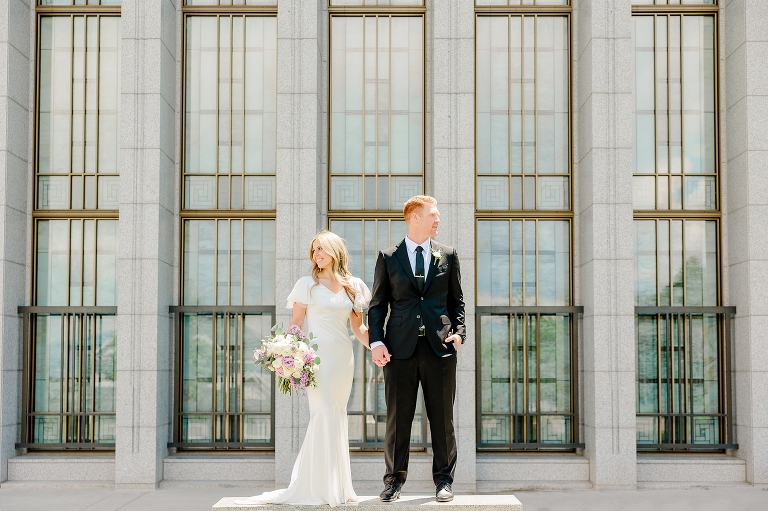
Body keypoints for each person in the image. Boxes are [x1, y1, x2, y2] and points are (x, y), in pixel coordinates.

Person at [235, 231, 371, 507]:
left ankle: (337, 488)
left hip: (343, 358)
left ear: (335, 251)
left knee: (337, 414)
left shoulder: (353, 286)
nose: (316, 254)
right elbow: (296, 324)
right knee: (322, 414)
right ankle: (317, 488)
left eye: (321, 248)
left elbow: (358, 328)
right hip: (317, 360)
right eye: (314, 250)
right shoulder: (306, 285)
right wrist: (288, 353)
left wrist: (380, 348)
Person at [368, 195, 466, 503]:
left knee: (443, 420)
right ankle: (393, 482)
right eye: (432, 215)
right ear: (414, 218)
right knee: (398, 420)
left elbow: (457, 301)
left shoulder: (448, 254)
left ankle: (444, 481)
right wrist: (376, 342)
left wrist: (459, 334)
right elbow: (377, 305)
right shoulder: (388, 257)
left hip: (440, 348)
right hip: (399, 351)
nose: (438, 220)